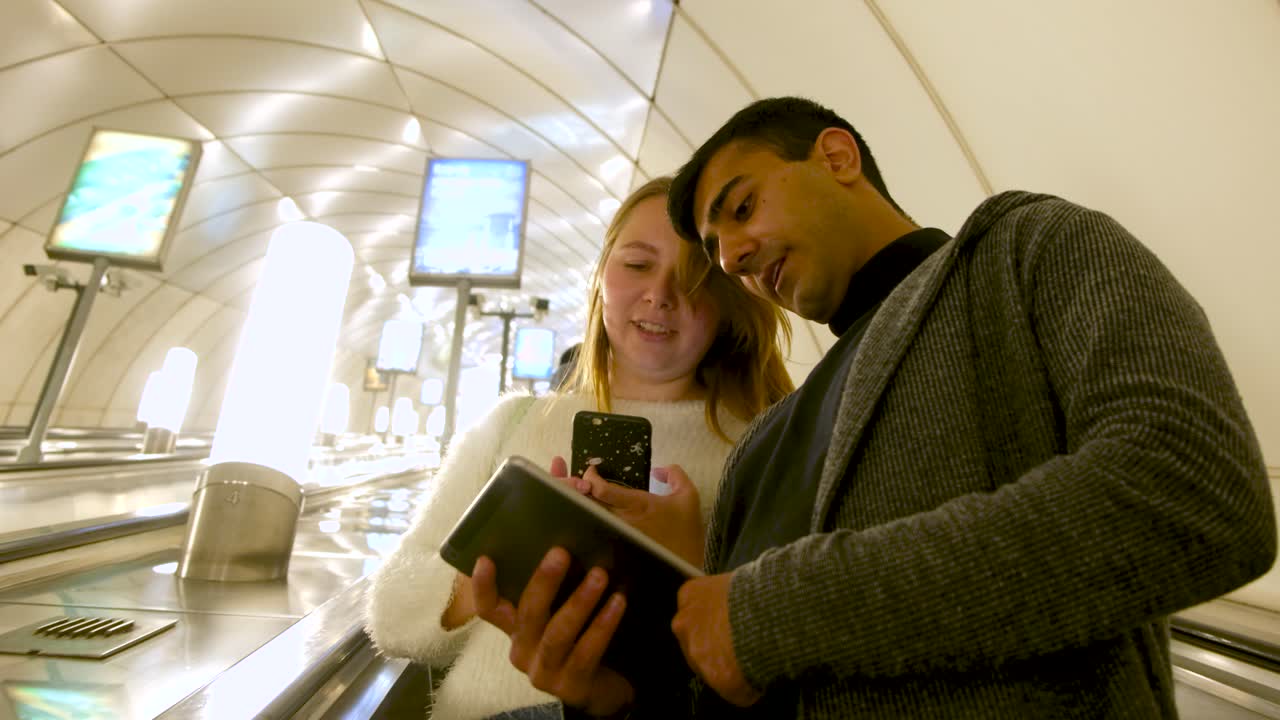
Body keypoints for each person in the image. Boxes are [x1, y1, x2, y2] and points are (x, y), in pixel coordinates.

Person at [471, 97, 1277, 718]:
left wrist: (773, 610)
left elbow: (1192, 488)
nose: (733, 256)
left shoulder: (1027, 253)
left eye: (743, 208)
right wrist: (613, 696)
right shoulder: (766, 443)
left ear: (837, 156)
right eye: (717, 249)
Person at [364, 175, 793, 720]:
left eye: (694, 276)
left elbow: (767, 667)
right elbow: (391, 615)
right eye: (637, 265)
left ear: (729, 300)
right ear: (600, 279)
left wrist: (688, 565)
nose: (660, 294)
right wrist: (505, 561)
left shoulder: (761, 446)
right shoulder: (511, 422)